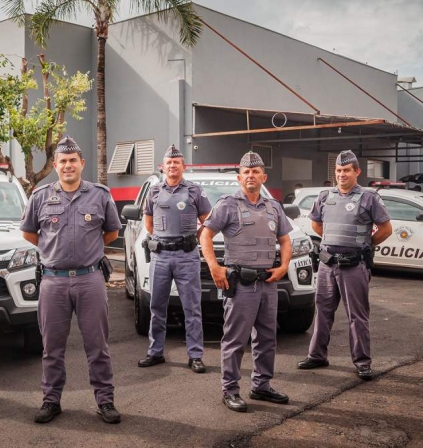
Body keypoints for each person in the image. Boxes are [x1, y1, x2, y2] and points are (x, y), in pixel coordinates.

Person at [20, 136, 123, 424]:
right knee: (52, 348)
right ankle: (51, 401)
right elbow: (29, 233)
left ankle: (105, 401)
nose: (68, 165)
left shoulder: (100, 195)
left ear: (82, 163)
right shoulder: (40, 196)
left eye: (72, 161)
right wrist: (54, 250)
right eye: (62, 161)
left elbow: (111, 233)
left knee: (97, 346)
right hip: (53, 281)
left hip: (90, 280)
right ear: (55, 165)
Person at [200, 151, 293, 413]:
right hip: (241, 284)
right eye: (246, 172)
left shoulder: (274, 206)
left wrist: (284, 266)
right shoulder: (227, 204)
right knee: (235, 339)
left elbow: (285, 240)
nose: (251, 176)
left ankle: (261, 386)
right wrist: (215, 267)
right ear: (239, 177)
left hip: (268, 283)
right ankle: (230, 390)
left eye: (256, 172)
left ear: (263, 177)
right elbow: (205, 236)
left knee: (266, 338)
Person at [297, 150, 392, 380]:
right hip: (328, 265)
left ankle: (362, 362)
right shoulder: (325, 197)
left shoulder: (369, 198)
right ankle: (317, 355)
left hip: (354, 266)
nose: (342, 174)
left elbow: (386, 229)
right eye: (338, 170)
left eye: (346, 170)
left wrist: (366, 245)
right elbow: (317, 226)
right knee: (322, 313)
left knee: (357, 316)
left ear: (357, 172)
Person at [137, 144, 211, 374]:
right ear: (163, 166)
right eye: (168, 163)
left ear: (183, 166)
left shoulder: (194, 191)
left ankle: (195, 355)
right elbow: (148, 222)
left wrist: (193, 239)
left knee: (192, 308)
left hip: (187, 256)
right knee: (157, 306)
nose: (172, 166)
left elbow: (208, 221)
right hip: (160, 256)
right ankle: (155, 352)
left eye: (176, 163)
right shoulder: (155, 191)